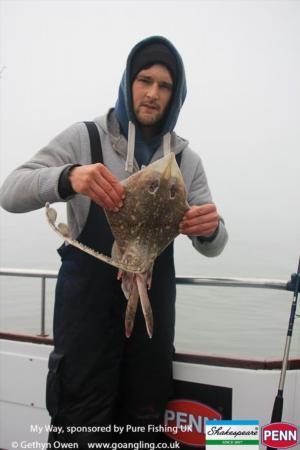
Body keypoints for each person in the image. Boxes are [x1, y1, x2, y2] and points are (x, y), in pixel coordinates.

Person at [0, 36, 228, 446]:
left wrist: (209, 228)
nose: (153, 93)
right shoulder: (85, 138)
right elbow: (9, 192)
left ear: (176, 96)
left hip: (150, 330)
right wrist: (69, 177)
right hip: (86, 327)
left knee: (141, 431)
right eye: (145, 80)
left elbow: (215, 244)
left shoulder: (186, 162)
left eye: (165, 86)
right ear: (128, 82)